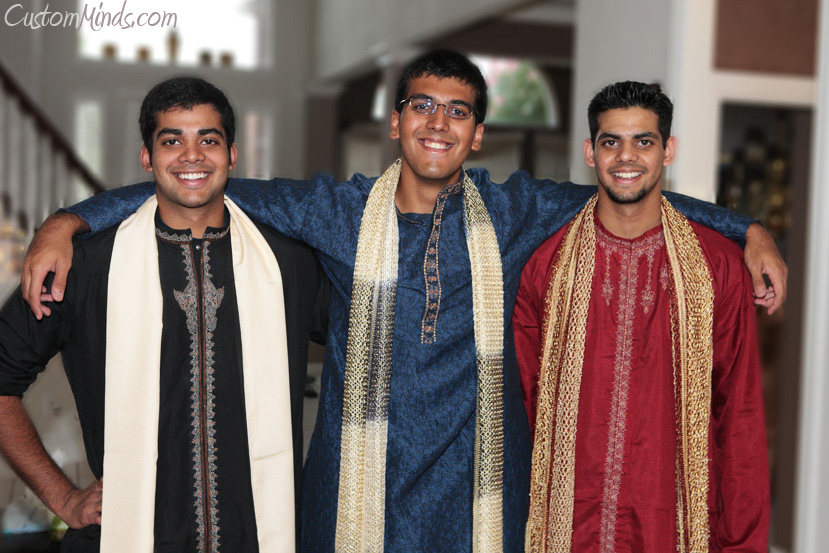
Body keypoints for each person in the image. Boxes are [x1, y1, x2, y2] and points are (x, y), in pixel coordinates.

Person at [20, 51, 784, 552]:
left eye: (456, 111)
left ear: (477, 134)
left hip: (478, 501)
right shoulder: (335, 209)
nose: (437, 123)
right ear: (395, 122)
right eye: (422, 104)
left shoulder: (516, 210)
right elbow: (198, 180)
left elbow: (624, 188)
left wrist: (742, 226)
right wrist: (71, 220)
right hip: (355, 496)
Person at [0, 77, 328, 552]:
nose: (191, 156)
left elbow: (368, 348)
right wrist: (64, 499)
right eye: (171, 140)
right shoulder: (86, 266)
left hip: (262, 536)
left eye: (208, 140)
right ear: (146, 158)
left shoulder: (289, 264)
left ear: (232, 155)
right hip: (131, 536)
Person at [514, 81, 769, 552]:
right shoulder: (545, 265)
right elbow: (524, 408)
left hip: (672, 531)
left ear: (667, 150)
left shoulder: (717, 268)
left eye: (643, 141)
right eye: (611, 142)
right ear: (591, 153)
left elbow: (739, 418)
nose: (626, 157)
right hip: (567, 531)